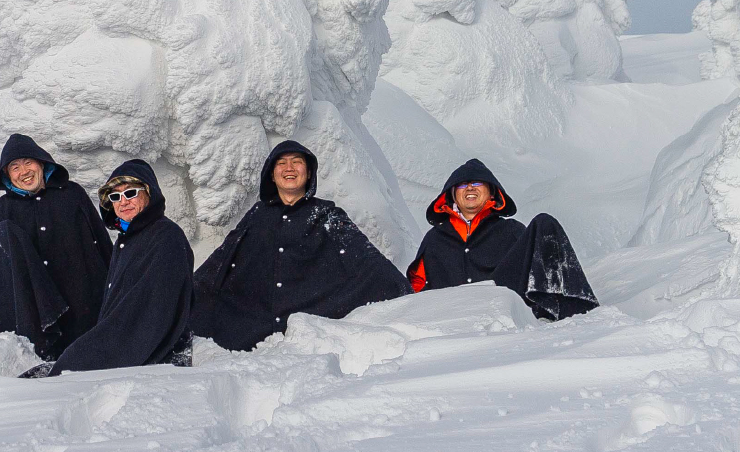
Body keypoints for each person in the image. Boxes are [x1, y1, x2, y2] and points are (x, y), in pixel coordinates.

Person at [190, 140, 411, 351]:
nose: (289, 168)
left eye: (297, 161)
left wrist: (403, 292)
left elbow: (364, 257)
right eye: (281, 163)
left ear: (308, 173)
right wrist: (186, 294)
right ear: (272, 175)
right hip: (253, 330)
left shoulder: (326, 214)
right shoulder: (257, 215)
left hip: (309, 326)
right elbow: (223, 259)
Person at [21, 159, 194, 377]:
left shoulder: (165, 237)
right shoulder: (128, 240)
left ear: (149, 194)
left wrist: (87, 355)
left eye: (131, 193)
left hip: (155, 365)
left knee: (57, 377)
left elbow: (146, 316)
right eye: (115, 196)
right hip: (127, 351)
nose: (123, 202)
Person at [406, 158, 599, 321]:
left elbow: (534, 269)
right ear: (452, 196)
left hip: (504, 310)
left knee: (544, 223)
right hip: (453, 317)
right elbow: (416, 289)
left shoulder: (512, 231)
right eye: (463, 185)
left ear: (492, 192)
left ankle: (575, 311)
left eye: (478, 183)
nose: (470, 187)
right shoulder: (434, 239)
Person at [0, 134, 112, 360]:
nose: (23, 171)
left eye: (28, 162)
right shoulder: (2, 212)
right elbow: (3, 275)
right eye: (14, 167)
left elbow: (102, 242)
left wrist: (115, 290)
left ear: (41, 164)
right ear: (6, 176)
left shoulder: (72, 195)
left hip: (85, 305)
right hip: (38, 313)